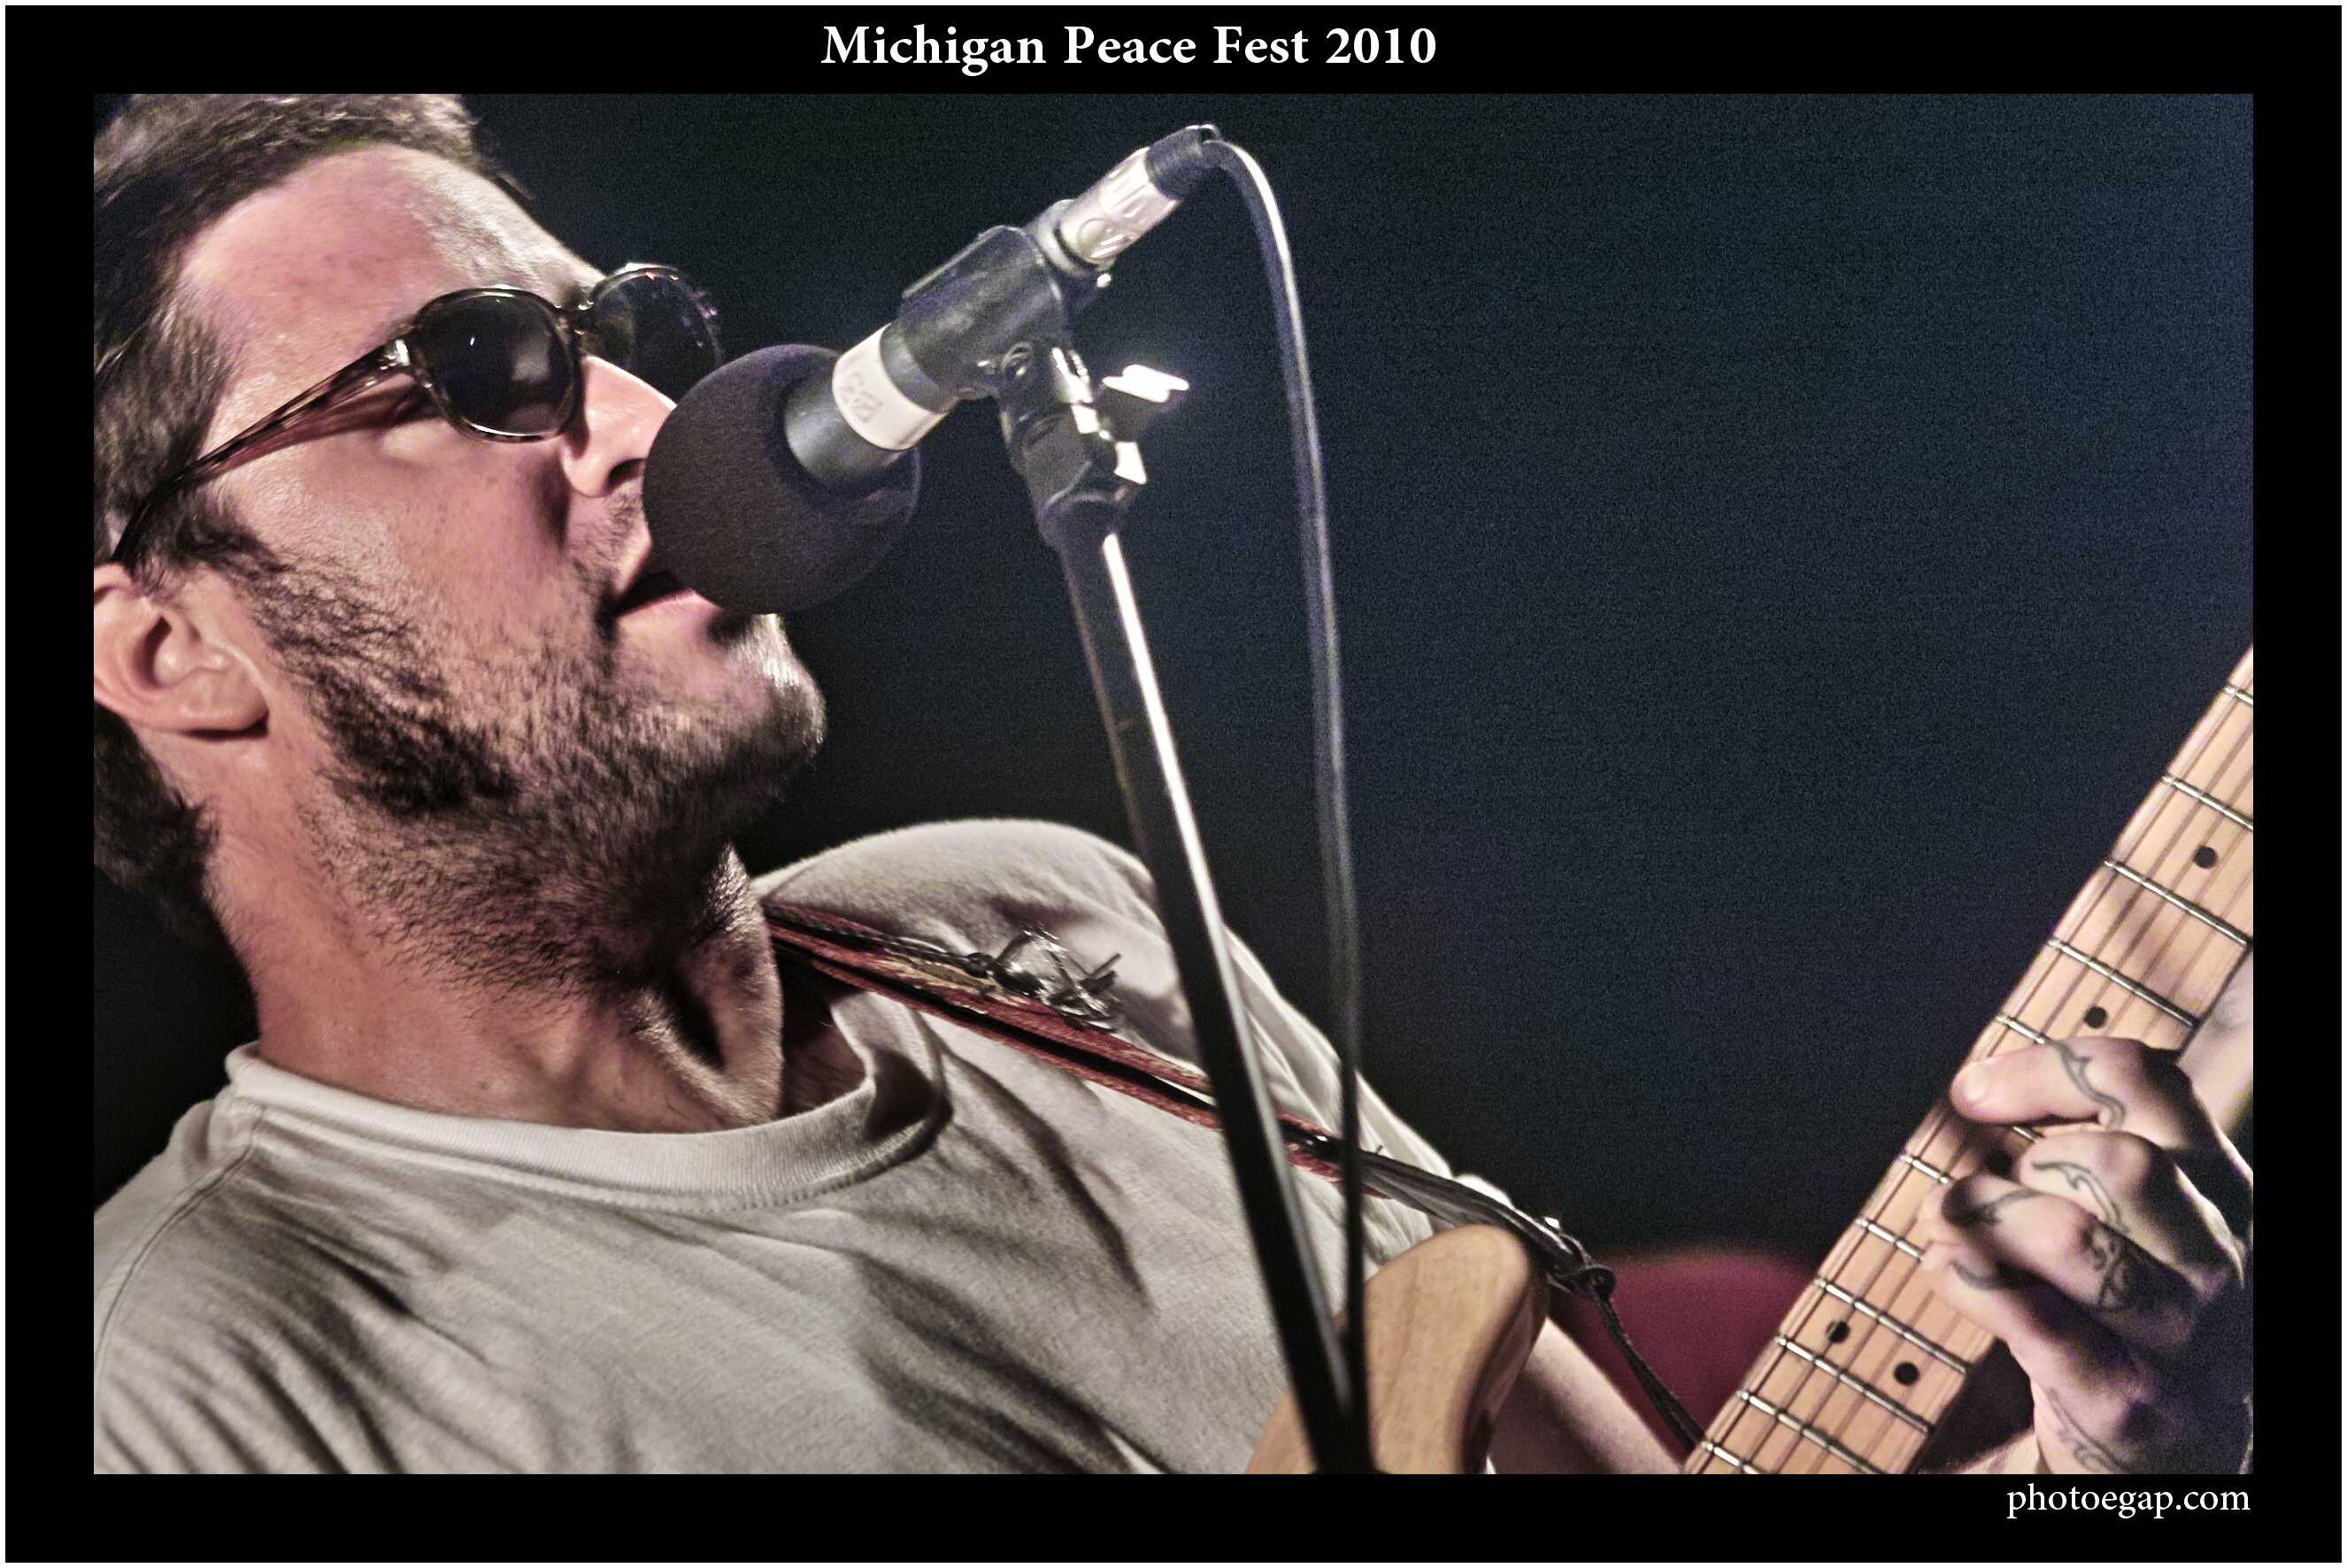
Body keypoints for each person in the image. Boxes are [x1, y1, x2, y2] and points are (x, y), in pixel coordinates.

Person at [91, 95, 2251, 1475]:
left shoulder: (1047, 924)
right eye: (477, 373)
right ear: (169, 646)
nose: (657, 423)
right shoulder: (176, 1391)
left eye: (617, 332)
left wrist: (2119, 1462)